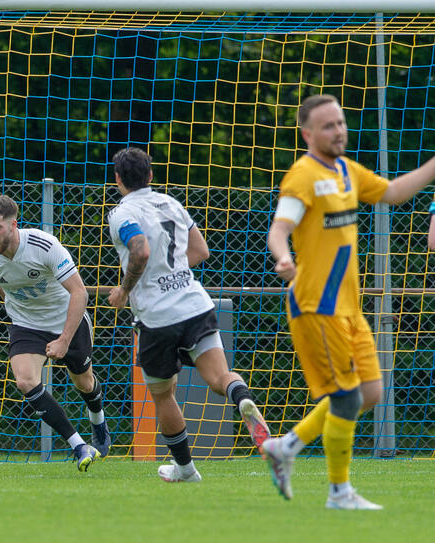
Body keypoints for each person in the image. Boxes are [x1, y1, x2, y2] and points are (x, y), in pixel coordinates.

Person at [263, 94, 435, 509]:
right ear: (308, 134)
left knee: (370, 393)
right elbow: (279, 227)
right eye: (328, 126)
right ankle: (339, 493)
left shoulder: (346, 170)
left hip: (349, 307)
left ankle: (286, 446)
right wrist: (283, 255)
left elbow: (392, 192)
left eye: (340, 123)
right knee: (344, 397)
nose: (338, 131)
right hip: (316, 307)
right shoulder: (302, 176)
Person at [105, 147, 271, 483]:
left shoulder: (122, 213)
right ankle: (243, 402)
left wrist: (125, 289)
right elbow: (201, 251)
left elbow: (140, 250)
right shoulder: (171, 203)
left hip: (158, 317)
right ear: (151, 175)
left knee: (163, 394)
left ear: (118, 178)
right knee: (219, 378)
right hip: (196, 304)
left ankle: (186, 469)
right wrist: (173, 272)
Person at [0, 195, 109, 472]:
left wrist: (64, 339)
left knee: (84, 383)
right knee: (25, 381)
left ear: (14, 225)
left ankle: (99, 423)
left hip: (66, 321)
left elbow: (79, 292)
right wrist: (18, 310)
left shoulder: (43, 245)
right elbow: (1, 287)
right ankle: (78, 445)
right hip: (26, 324)